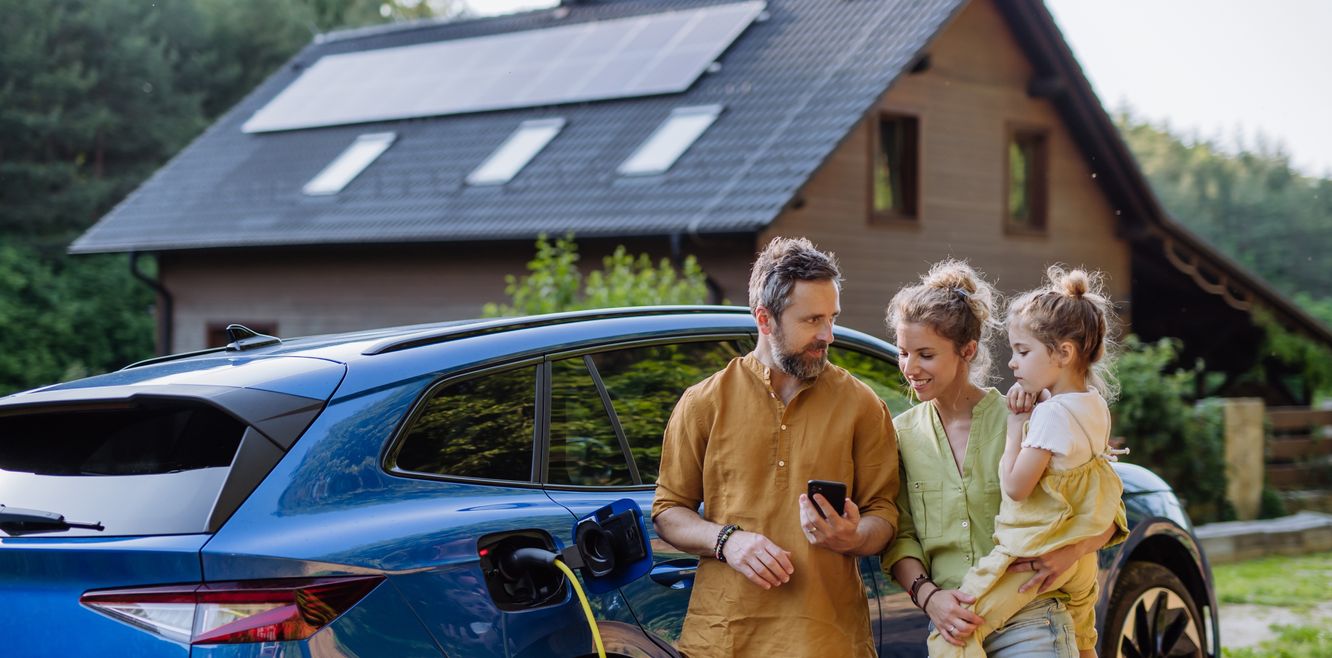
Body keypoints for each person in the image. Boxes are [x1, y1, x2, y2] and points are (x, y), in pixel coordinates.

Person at [652, 236, 899, 658]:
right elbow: (668, 512)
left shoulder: (862, 405)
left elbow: (885, 516)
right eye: (812, 320)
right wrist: (727, 540)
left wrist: (852, 536)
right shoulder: (704, 402)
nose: (828, 335)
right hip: (724, 639)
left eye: (832, 318)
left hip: (828, 641)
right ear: (764, 320)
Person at [882, 260, 1127, 658]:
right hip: (954, 628)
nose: (910, 368)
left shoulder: (1031, 414)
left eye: (925, 354)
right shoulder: (901, 435)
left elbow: (1101, 506)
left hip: (1032, 616)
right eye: (903, 353)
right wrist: (929, 598)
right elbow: (900, 537)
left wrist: (1067, 554)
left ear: (968, 350)